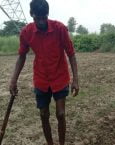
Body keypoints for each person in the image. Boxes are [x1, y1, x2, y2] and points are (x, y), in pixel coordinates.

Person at [9, 0, 79, 144]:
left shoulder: (60, 29)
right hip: (41, 79)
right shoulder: (26, 33)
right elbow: (22, 56)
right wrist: (13, 80)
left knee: (60, 114)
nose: (41, 21)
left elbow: (71, 54)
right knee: (43, 114)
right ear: (31, 15)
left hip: (60, 76)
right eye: (37, 18)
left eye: (44, 17)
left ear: (47, 14)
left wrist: (76, 80)